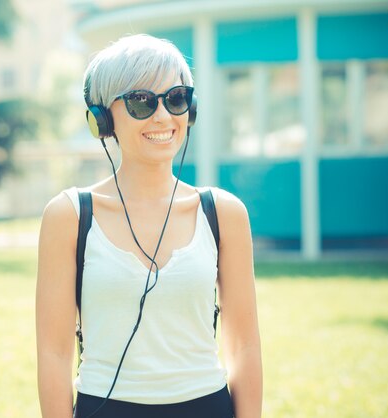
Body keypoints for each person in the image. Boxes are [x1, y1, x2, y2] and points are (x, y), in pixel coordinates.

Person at [36, 34, 262, 418]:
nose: (163, 116)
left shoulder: (223, 213)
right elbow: (54, 353)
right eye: (142, 101)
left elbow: (244, 346)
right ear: (102, 119)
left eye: (176, 98)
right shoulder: (69, 216)